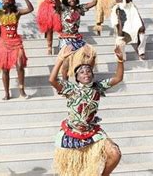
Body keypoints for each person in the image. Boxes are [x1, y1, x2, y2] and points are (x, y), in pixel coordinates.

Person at [49, 45, 124, 176]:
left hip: (92, 131)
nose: (86, 74)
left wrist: (120, 60)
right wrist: (60, 59)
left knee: (115, 153)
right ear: (77, 77)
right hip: (73, 132)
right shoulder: (70, 88)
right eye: (82, 72)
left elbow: (118, 78)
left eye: (88, 71)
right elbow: (52, 80)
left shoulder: (98, 87)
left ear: (93, 75)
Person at [0, 0, 33, 100]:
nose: (4, 2)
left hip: (16, 43)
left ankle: (22, 90)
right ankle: (7, 93)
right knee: (5, 69)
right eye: (3, 0)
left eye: (7, 0)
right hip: (3, 44)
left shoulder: (17, 13)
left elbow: (30, 9)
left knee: (20, 66)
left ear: (11, 3)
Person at [56, 0, 98, 79]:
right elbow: (56, 0)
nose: (72, 0)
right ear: (66, 0)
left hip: (77, 38)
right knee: (66, 62)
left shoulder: (80, 9)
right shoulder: (63, 8)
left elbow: (94, 2)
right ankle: (65, 85)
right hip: (66, 39)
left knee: (86, 58)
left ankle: (83, 81)